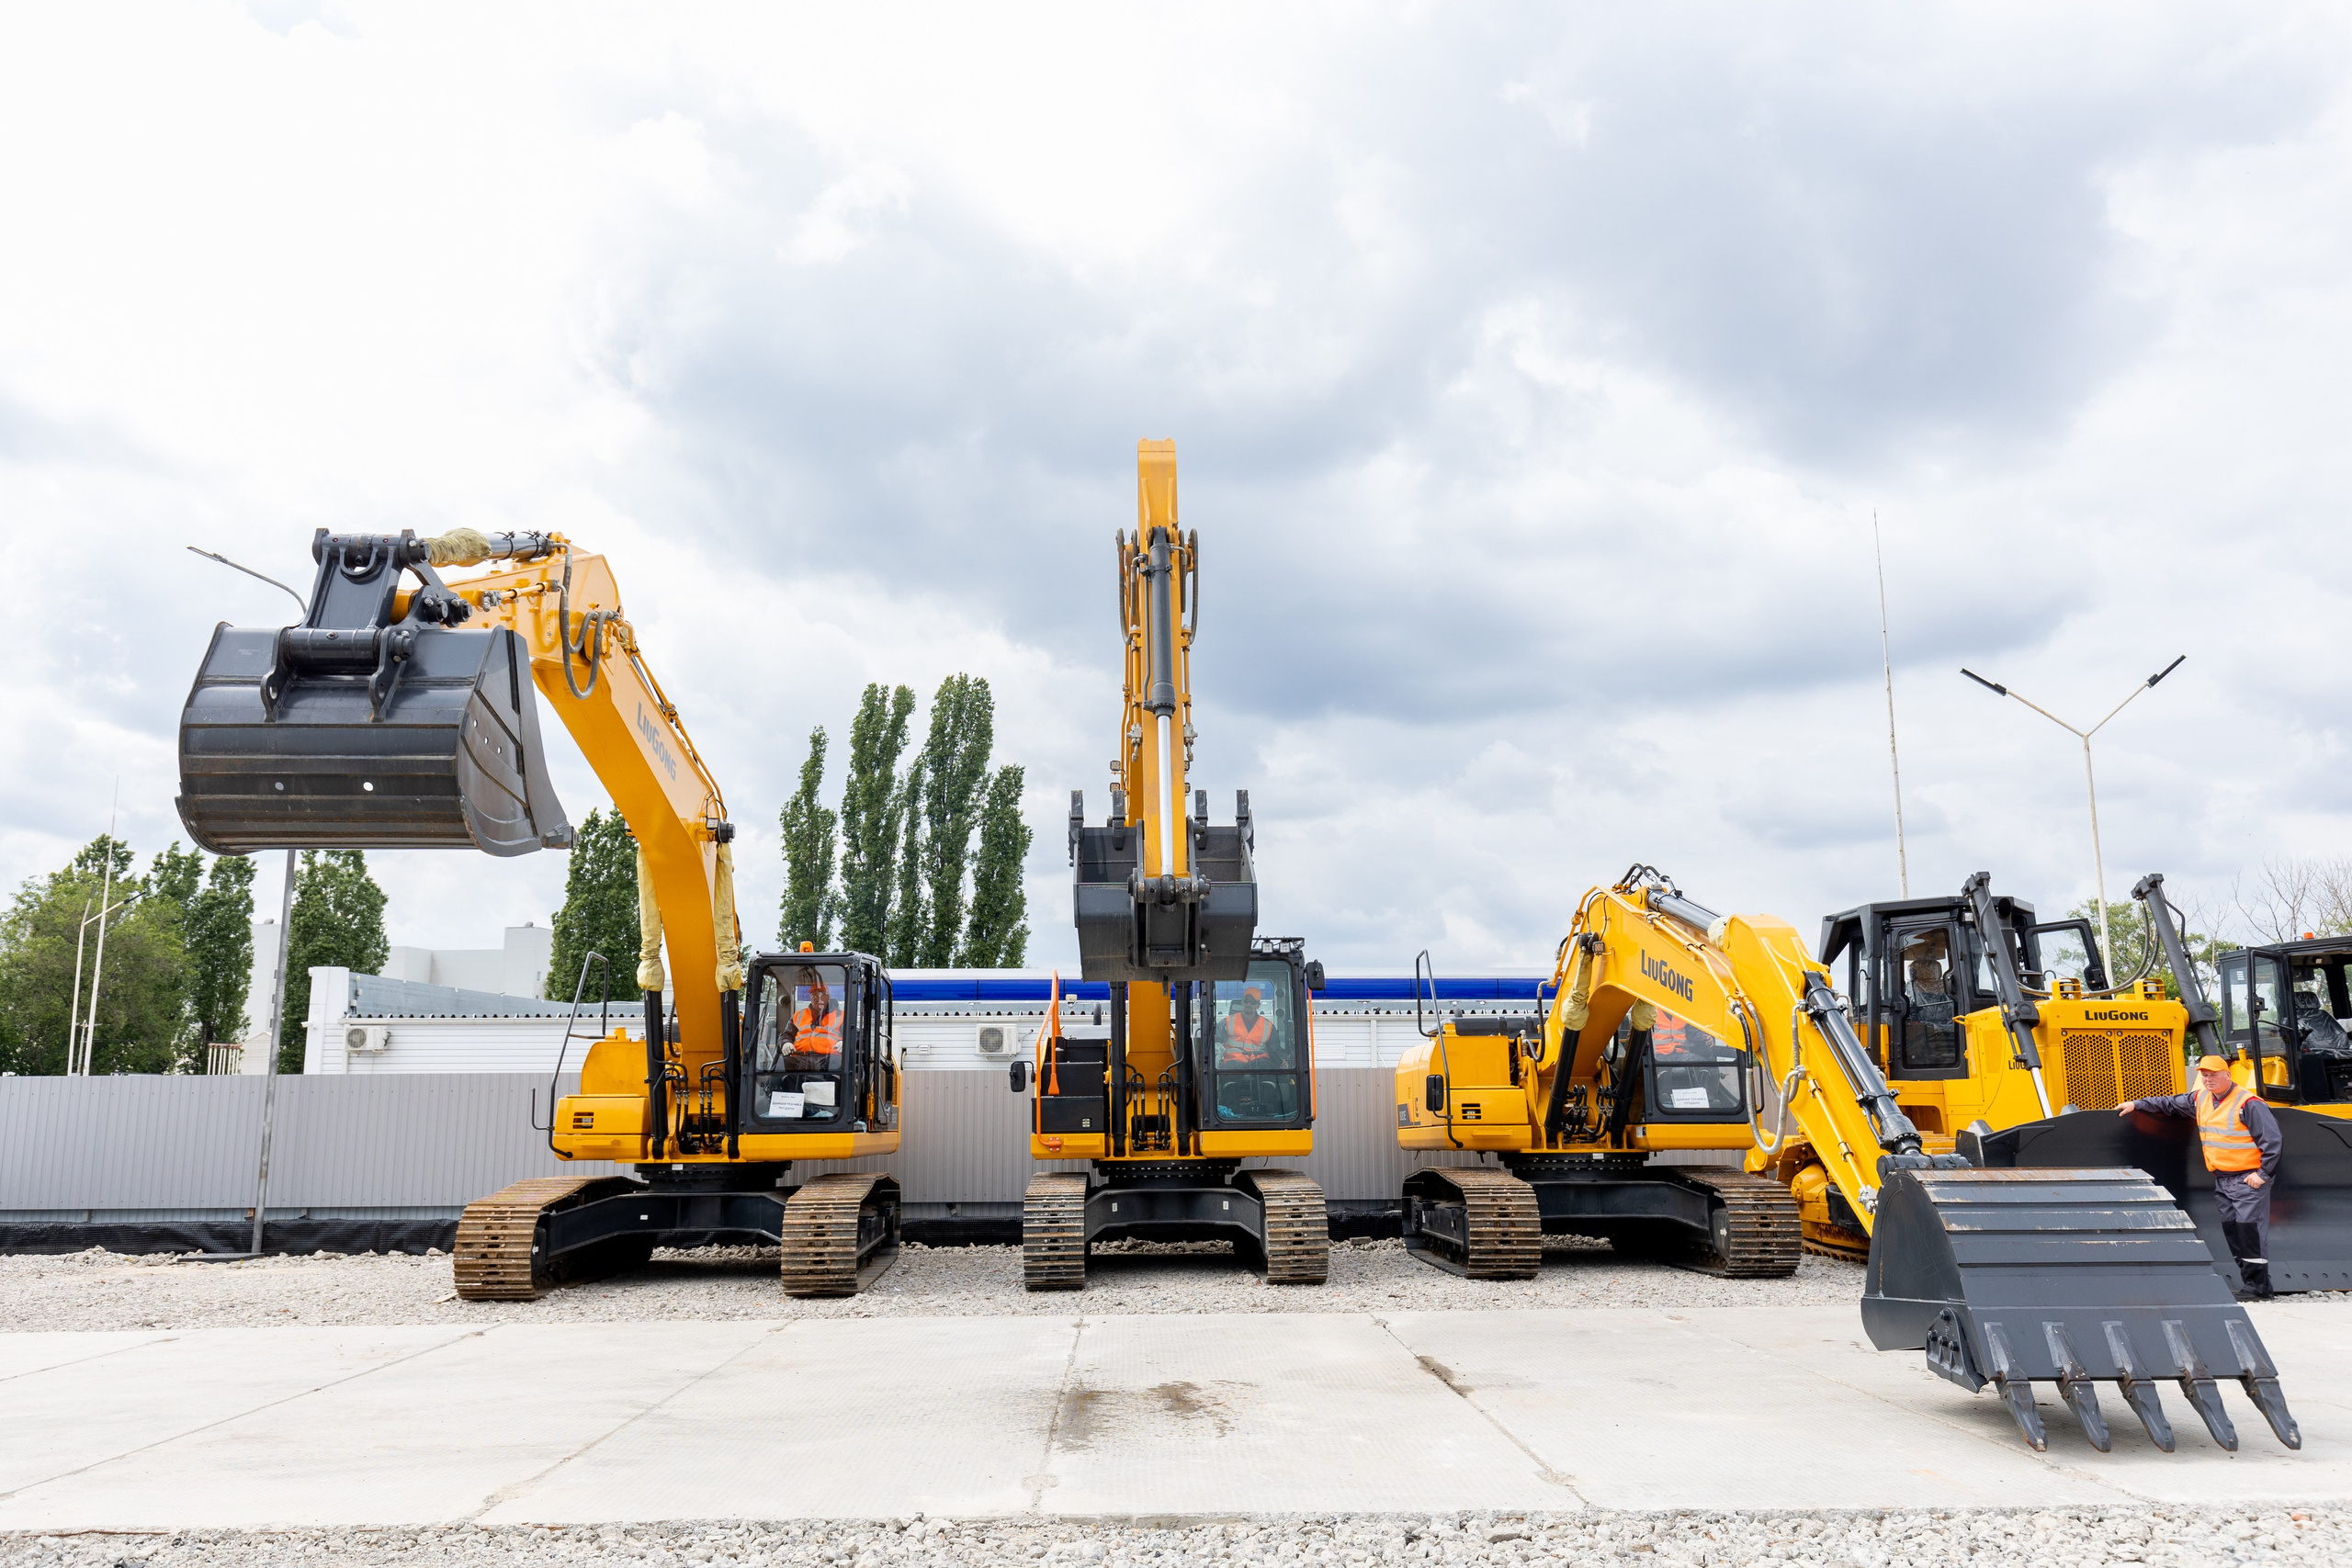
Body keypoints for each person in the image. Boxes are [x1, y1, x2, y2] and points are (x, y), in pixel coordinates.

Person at [2120, 1055, 2283, 1299]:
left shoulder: (2249, 1103)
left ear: (2227, 1075)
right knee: (2233, 1230)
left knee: (2249, 1231)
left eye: (2213, 1075)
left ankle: (2259, 1288)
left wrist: (2263, 1174)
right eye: (2204, 1075)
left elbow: (2272, 1141)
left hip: (2248, 1180)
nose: (2208, 1080)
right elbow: (2169, 1103)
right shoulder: (2201, 1098)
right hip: (2223, 1179)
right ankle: (2253, 1283)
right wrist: (2137, 1104)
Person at [786, 968, 843, 1071]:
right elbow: (786, 1034)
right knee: (783, 1064)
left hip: (828, 1058)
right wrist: (785, 1043)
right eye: (813, 994)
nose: (817, 998)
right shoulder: (799, 1015)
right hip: (800, 1057)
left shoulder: (842, 1016)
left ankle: (836, 1087)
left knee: (837, 1065)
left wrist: (846, 1042)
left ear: (828, 997)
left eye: (821, 994)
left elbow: (855, 1035)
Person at [1219, 985, 1275, 1068]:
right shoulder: (1226, 1022)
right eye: (1246, 1001)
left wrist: (1282, 1060)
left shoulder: (1269, 1026)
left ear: (1258, 1005)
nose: (1248, 1004)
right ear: (1242, 1002)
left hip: (1258, 1062)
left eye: (1253, 1002)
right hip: (1234, 1061)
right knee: (1230, 1069)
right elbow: (1215, 1042)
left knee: (1266, 1067)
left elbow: (1275, 1048)